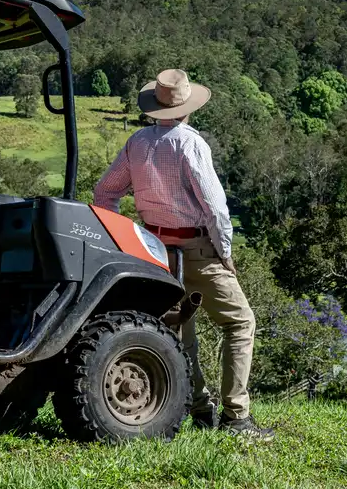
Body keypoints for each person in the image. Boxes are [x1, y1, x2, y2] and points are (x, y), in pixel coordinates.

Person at [92, 68, 273, 441]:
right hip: (198, 248)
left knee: (179, 331)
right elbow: (215, 208)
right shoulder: (191, 144)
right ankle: (236, 416)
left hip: (155, 250)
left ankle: (199, 408)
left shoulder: (137, 143)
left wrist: (127, 237)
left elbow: (104, 193)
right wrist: (224, 252)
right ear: (188, 107)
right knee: (240, 323)